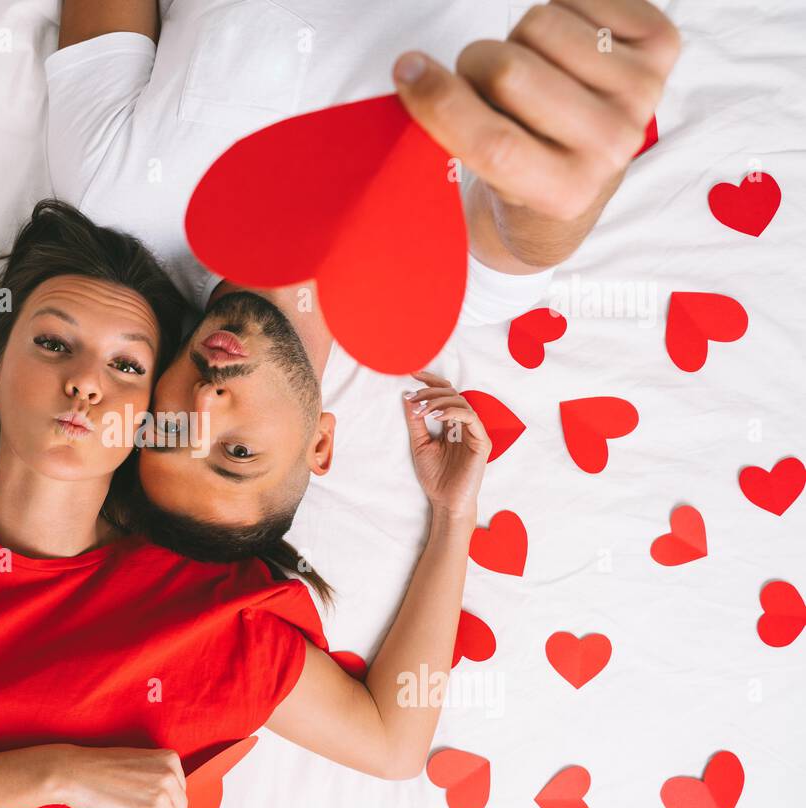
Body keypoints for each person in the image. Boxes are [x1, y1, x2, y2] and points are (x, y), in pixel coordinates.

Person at [0, 198, 483, 808]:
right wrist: (57, 774)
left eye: (127, 365)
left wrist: (453, 517)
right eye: (52, 344)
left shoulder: (205, 618)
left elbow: (392, 742)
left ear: (147, 421)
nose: (85, 382)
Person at [46, 0, 680, 555]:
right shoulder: (442, 293)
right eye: (237, 453)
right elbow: (527, 232)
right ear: (320, 445)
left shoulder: (114, 194)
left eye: (173, 430)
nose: (205, 403)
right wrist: (568, 168)